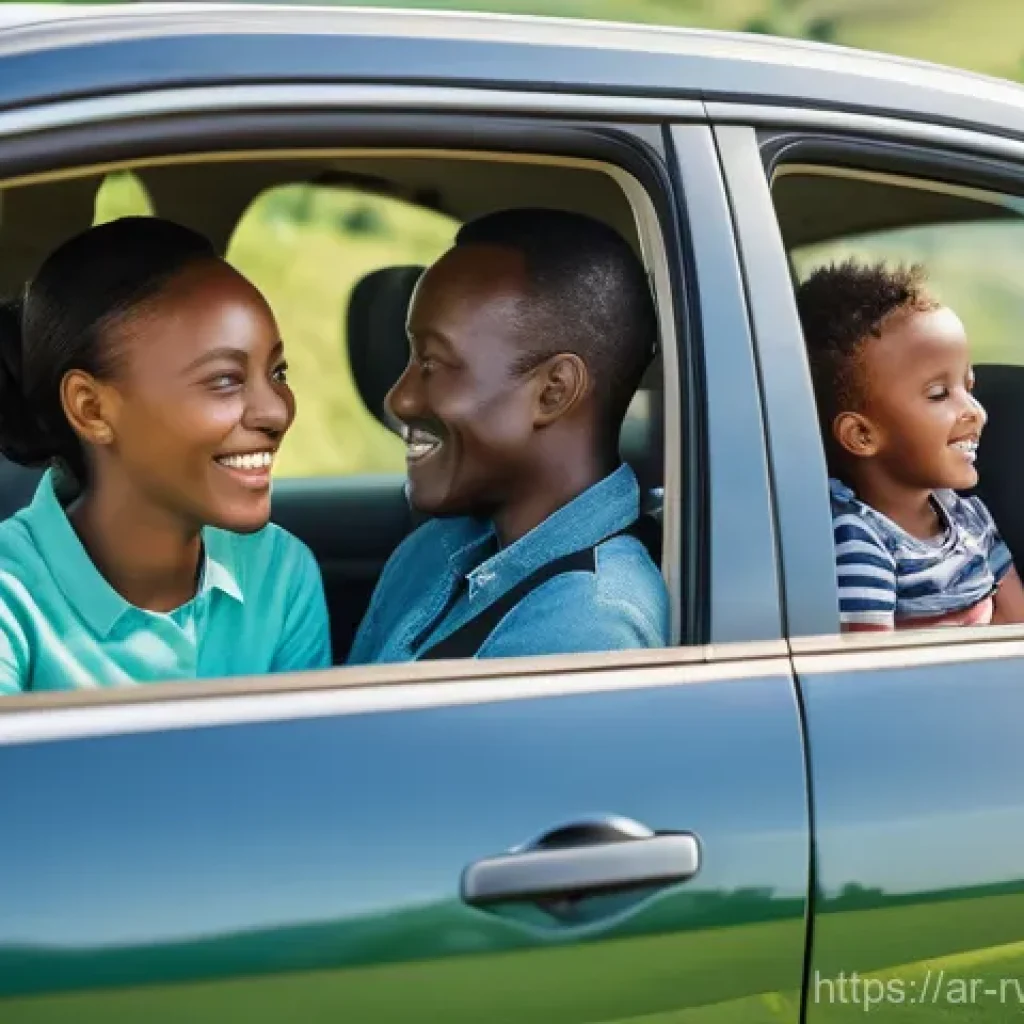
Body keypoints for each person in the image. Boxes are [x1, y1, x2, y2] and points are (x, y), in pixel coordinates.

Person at [0, 217, 330, 693]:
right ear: (91, 409)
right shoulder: (13, 592)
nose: (276, 411)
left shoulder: (280, 573)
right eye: (224, 380)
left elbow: (300, 762)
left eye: (278, 373)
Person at [348, 207, 669, 664]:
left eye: (432, 365)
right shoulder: (436, 547)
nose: (398, 399)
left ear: (553, 391)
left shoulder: (588, 630)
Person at [797, 259, 1024, 632]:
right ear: (862, 436)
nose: (976, 413)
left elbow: (1017, 630)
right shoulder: (861, 545)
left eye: (968, 388)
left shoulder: (971, 519)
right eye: (939, 394)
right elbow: (875, 677)